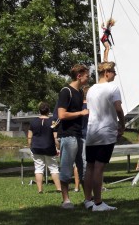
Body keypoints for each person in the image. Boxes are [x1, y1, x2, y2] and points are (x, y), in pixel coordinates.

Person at [83, 61, 125, 212]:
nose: (115, 74)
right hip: (106, 132)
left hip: (91, 131)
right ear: (107, 73)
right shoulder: (113, 88)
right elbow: (118, 108)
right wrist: (123, 123)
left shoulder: (91, 90)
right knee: (99, 167)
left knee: (90, 166)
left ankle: (88, 200)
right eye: (114, 72)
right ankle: (98, 203)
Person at [57, 64, 89, 209]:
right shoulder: (66, 91)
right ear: (79, 76)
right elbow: (61, 115)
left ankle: (88, 198)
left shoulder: (80, 92)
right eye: (87, 75)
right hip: (68, 135)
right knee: (66, 168)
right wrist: (80, 113)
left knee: (83, 167)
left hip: (79, 135)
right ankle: (66, 200)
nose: (88, 78)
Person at [28, 101, 61, 193]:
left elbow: (29, 136)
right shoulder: (53, 122)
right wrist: (58, 148)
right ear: (48, 111)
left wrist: (30, 146)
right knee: (53, 168)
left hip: (36, 147)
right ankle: (58, 188)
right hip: (49, 148)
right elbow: (55, 137)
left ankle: (40, 189)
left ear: (39, 110)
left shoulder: (33, 121)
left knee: (38, 168)